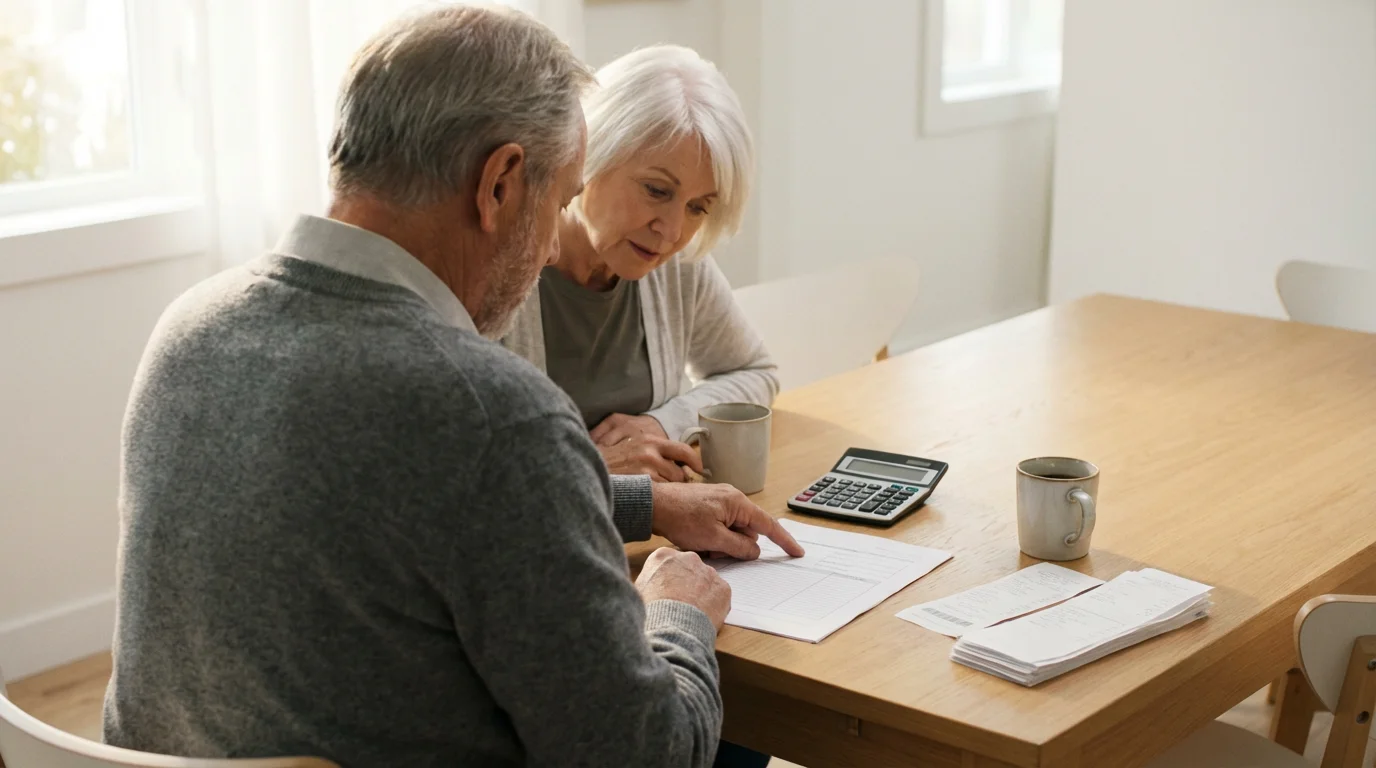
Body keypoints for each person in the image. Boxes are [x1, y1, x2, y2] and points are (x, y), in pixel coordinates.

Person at [101, 7, 800, 768]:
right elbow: (646, 756)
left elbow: (404, 508)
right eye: (561, 199)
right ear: (500, 183)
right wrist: (676, 613)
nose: (545, 252)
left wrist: (645, 502)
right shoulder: (493, 414)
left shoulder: (187, 328)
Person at [502, 45, 777, 483]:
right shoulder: (499, 265)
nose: (670, 231)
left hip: (650, 535)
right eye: (656, 190)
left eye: (698, 207)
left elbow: (754, 372)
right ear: (591, 150)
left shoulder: (674, 265)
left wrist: (663, 423)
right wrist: (590, 469)